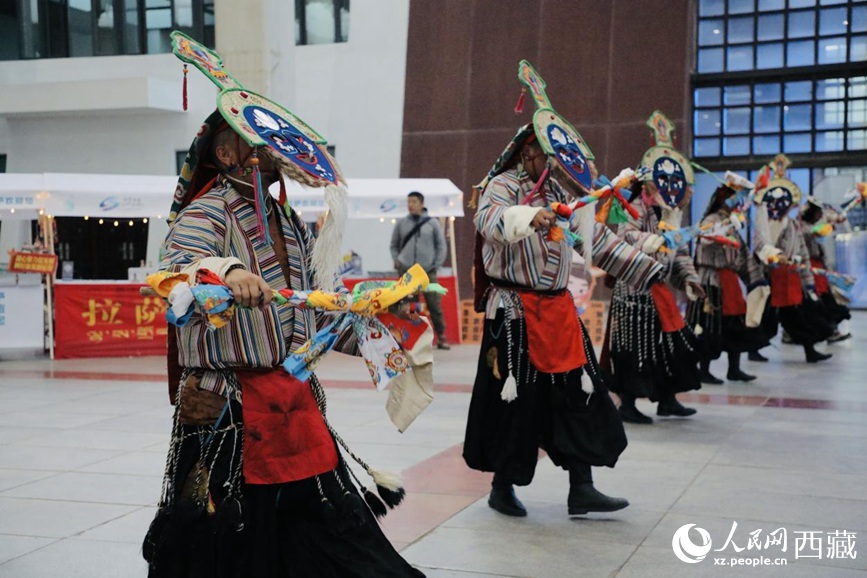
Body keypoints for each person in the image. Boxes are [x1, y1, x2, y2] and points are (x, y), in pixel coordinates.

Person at [142, 32, 423, 578]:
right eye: (258, 141)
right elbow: (177, 268)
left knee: (335, 538)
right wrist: (228, 272)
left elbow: (314, 308)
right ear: (227, 154)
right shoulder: (205, 213)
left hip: (293, 402)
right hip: (227, 406)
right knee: (222, 552)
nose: (274, 149)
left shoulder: (288, 221)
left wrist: (380, 325)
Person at [464, 61, 666, 518]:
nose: (554, 163)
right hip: (514, 314)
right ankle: (501, 487)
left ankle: (582, 486)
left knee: (581, 395)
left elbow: (596, 239)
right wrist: (527, 216)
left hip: (558, 313)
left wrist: (646, 269)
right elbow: (489, 220)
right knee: (516, 404)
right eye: (547, 155)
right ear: (528, 150)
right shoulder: (502, 186)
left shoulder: (560, 195)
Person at [606, 111, 704, 425]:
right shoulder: (634, 204)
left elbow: (680, 250)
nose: (672, 185)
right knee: (636, 347)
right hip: (634, 288)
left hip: (660, 288)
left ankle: (667, 399)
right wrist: (656, 240)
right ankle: (627, 403)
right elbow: (625, 236)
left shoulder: (671, 212)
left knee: (671, 345)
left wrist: (689, 278)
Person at [685, 173, 769, 384]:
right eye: (734, 198)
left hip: (730, 281)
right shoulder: (711, 221)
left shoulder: (733, 222)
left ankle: (734, 369)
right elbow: (705, 240)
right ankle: (703, 369)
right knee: (708, 325)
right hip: (710, 279)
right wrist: (723, 229)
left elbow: (742, 255)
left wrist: (755, 279)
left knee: (735, 325)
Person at [752, 154, 834, 363]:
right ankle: (753, 348)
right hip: (772, 278)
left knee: (799, 315)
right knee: (767, 317)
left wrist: (808, 282)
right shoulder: (765, 223)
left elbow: (803, 252)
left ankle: (809, 349)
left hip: (791, 277)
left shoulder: (793, 225)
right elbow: (760, 248)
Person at [391, 191, 450, 349]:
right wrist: (397, 260)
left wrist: (436, 264)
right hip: (407, 273)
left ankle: (441, 336)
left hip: (428, 271)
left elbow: (441, 246)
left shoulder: (433, 223)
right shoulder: (401, 223)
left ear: (422, 203)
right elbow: (394, 245)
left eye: (414, 201)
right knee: (407, 306)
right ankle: (409, 338)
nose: (410, 205)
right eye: (409, 201)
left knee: (434, 304)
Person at [799, 197, 851, 342]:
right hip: (809, 268)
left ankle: (831, 329)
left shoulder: (811, 226)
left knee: (825, 299)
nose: (820, 216)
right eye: (818, 213)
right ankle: (829, 330)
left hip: (818, 267)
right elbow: (813, 232)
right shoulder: (802, 227)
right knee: (818, 300)